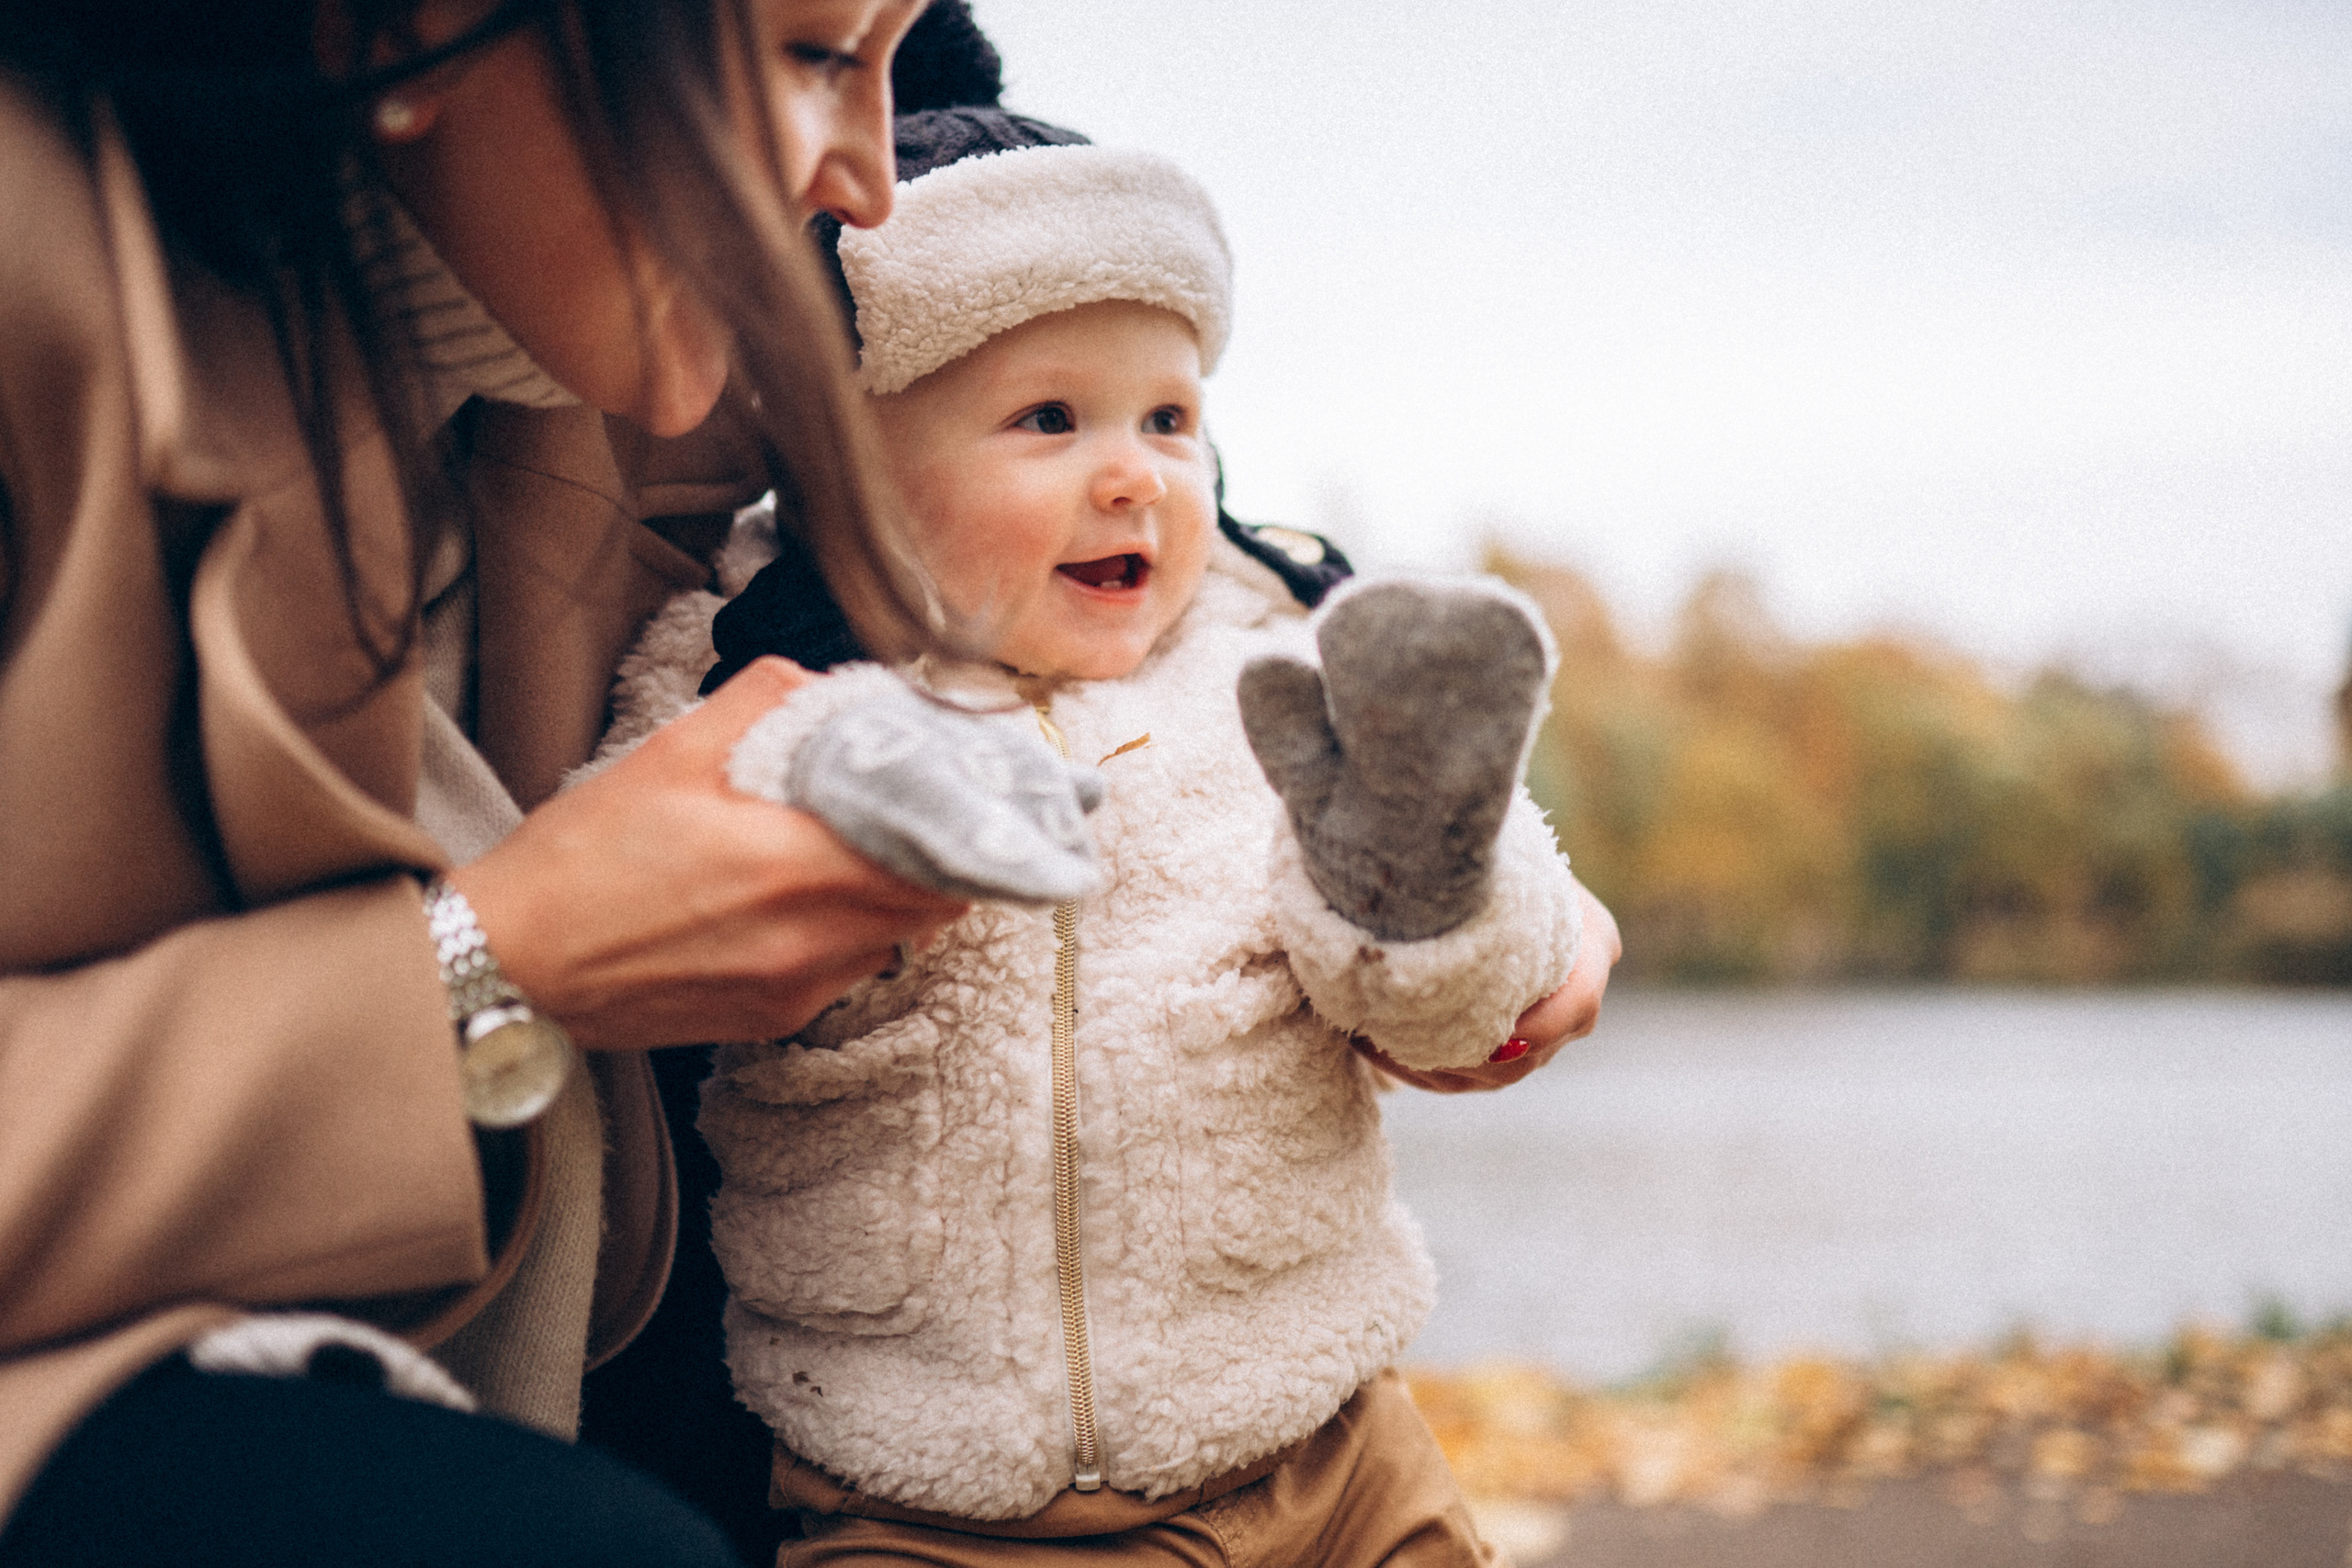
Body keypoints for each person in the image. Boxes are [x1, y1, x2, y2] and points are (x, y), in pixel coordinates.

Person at [0, 0, 969, 1561]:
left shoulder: (567, 346)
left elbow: (1047, 372)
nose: (869, 184)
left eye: (895, 62)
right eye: (812, 55)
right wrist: (488, 966)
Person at [596, 108, 1603, 1567]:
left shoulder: (1271, 680)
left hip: (1325, 1458)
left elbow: (1443, 1021)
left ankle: (1418, 864)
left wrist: (1435, 899)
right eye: (1050, 420)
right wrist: (842, 777)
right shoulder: (751, 672)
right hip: (922, 1505)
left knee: (1417, 903)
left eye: (1171, 420)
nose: (1135, 475)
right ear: (848, 464)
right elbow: (650, 869)